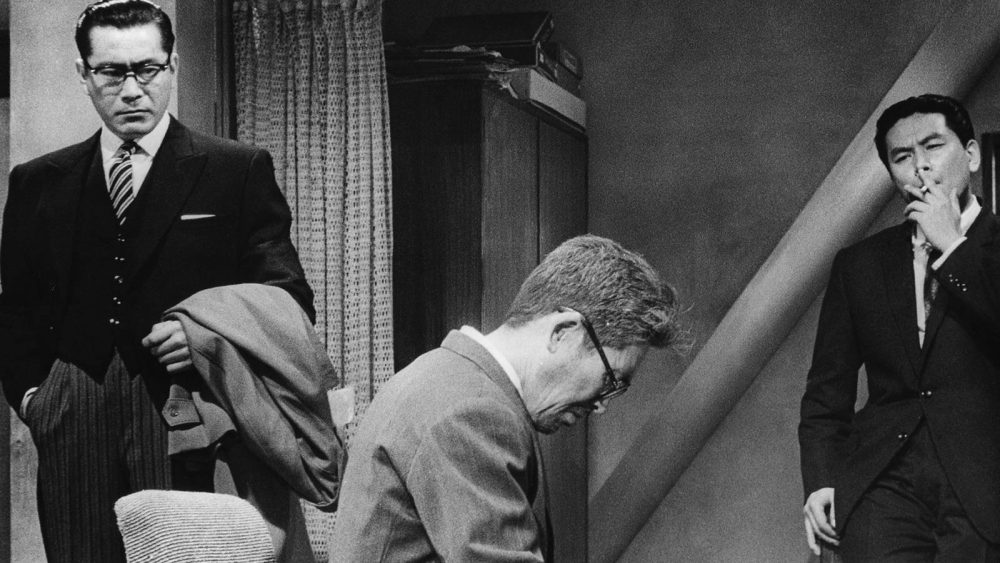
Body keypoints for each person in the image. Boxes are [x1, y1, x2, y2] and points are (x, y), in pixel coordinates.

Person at [0, 1, 314, 561]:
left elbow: (288, 298)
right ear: (83, 74)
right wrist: (37, 399)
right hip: (72, 413)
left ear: (174, 67)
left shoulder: (235, 170)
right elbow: (16, 309)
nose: (131, 89)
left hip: (189, 414)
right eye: (111, 72)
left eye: (147, 69)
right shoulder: (38, 182)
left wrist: (205, 333)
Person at [330, 234, 682, 561]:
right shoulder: (471, 412)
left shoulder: (446, 379)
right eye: (610, 379)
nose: (602, 405)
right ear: (563, 332)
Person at [800, 94, 1000, 560]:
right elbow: (826, 391)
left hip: (985, 484)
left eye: (934, 146)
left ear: (971, 155)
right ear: (892, 174)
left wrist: (952, 246)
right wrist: (821, 480)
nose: (921, 167)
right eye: (902, 156)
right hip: (882, 481)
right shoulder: (859, 264)